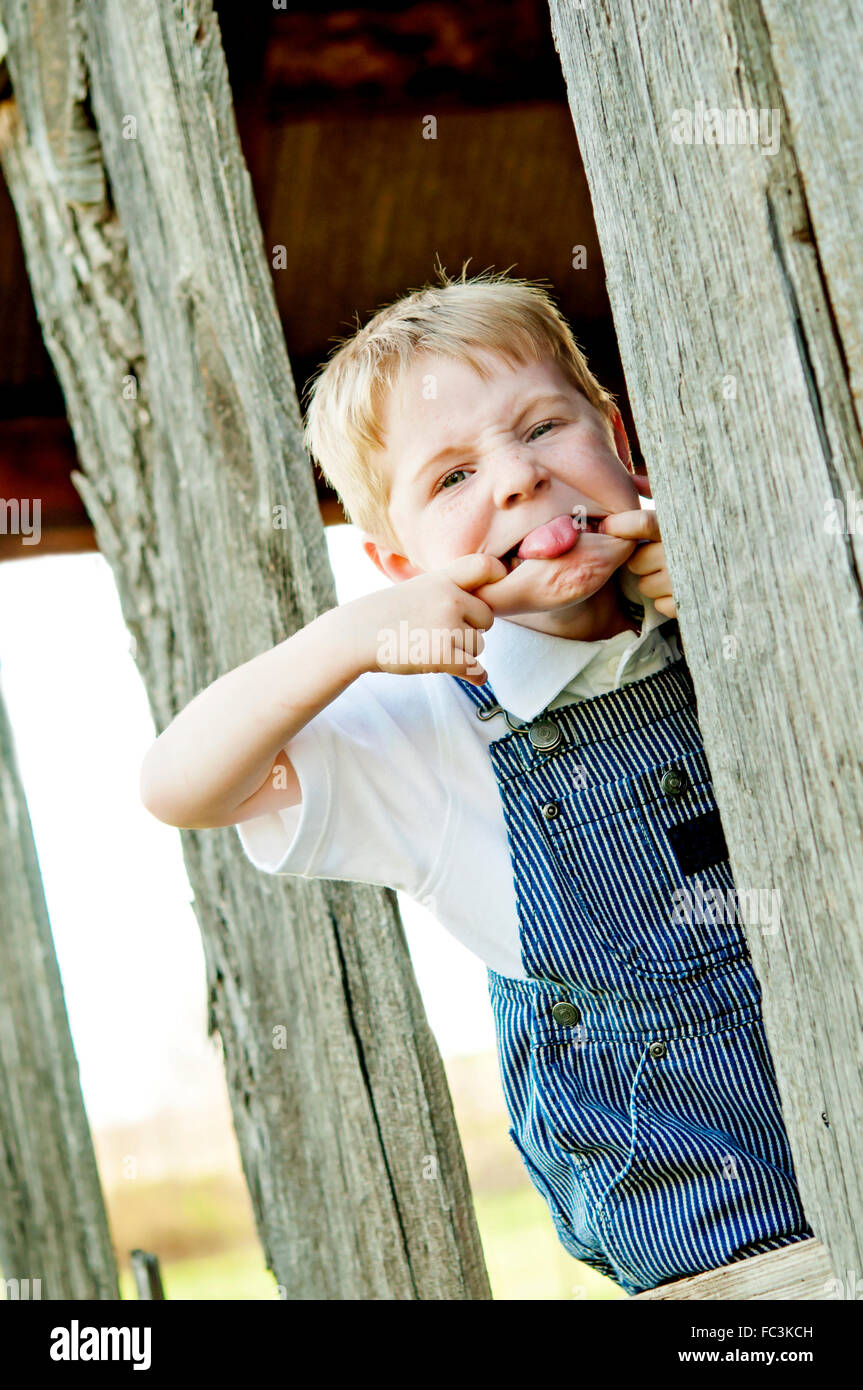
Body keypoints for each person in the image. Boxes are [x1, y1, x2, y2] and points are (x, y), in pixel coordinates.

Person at [139, 263, 814, 1295]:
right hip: (719, 1242)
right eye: (450, 477)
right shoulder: (425, 730)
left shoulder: (736, 594)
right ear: (399, 563)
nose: (514, 478)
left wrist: (744, 578)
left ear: (616, 438)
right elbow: (180, 784)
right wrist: (344, 641)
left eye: (542, 427)